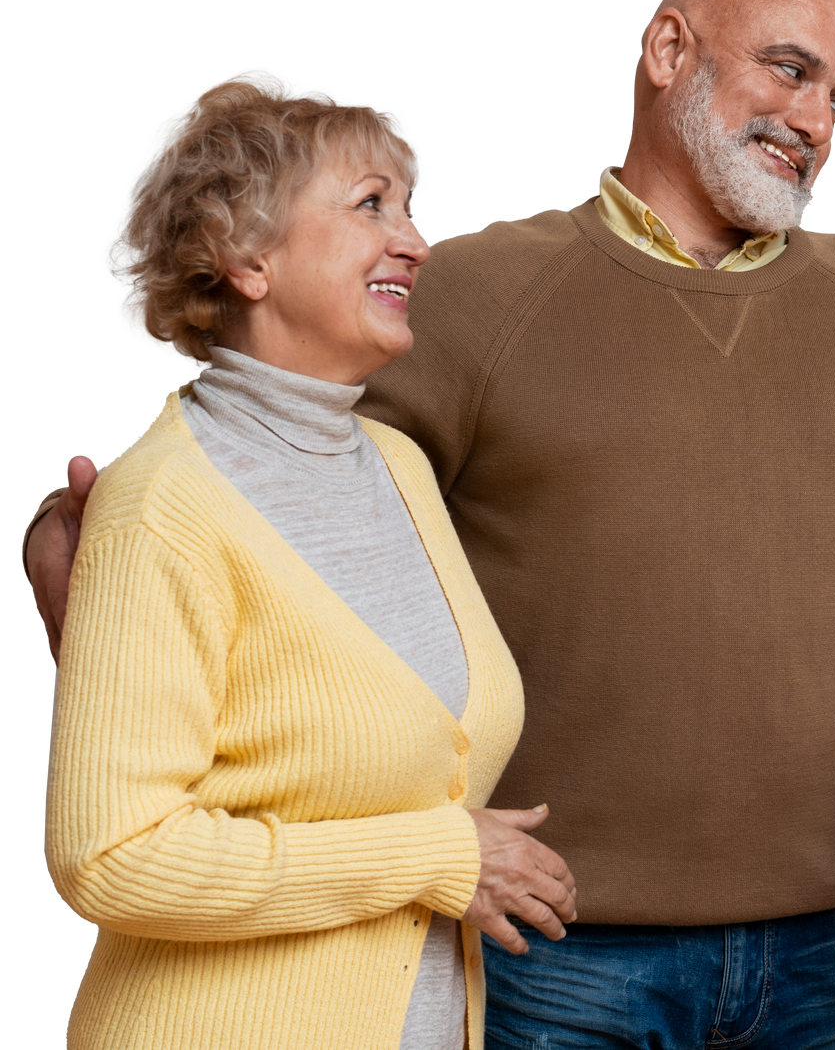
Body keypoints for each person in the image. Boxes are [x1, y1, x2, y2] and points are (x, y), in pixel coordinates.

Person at [27, 0, 835, 1049]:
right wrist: (77, 557)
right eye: (789, 70)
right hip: (551, 932)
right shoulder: (464, 299)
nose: (814, 117)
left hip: (828, 940)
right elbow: (246, 436)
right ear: (669, 52)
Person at [41, 70, 578, 1050]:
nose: (414, 240)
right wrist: (436, 855)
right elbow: (110, 857)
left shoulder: (402, 466)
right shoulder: (160, 503)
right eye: (371, 205)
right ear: (246, 254)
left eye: (413, 209)